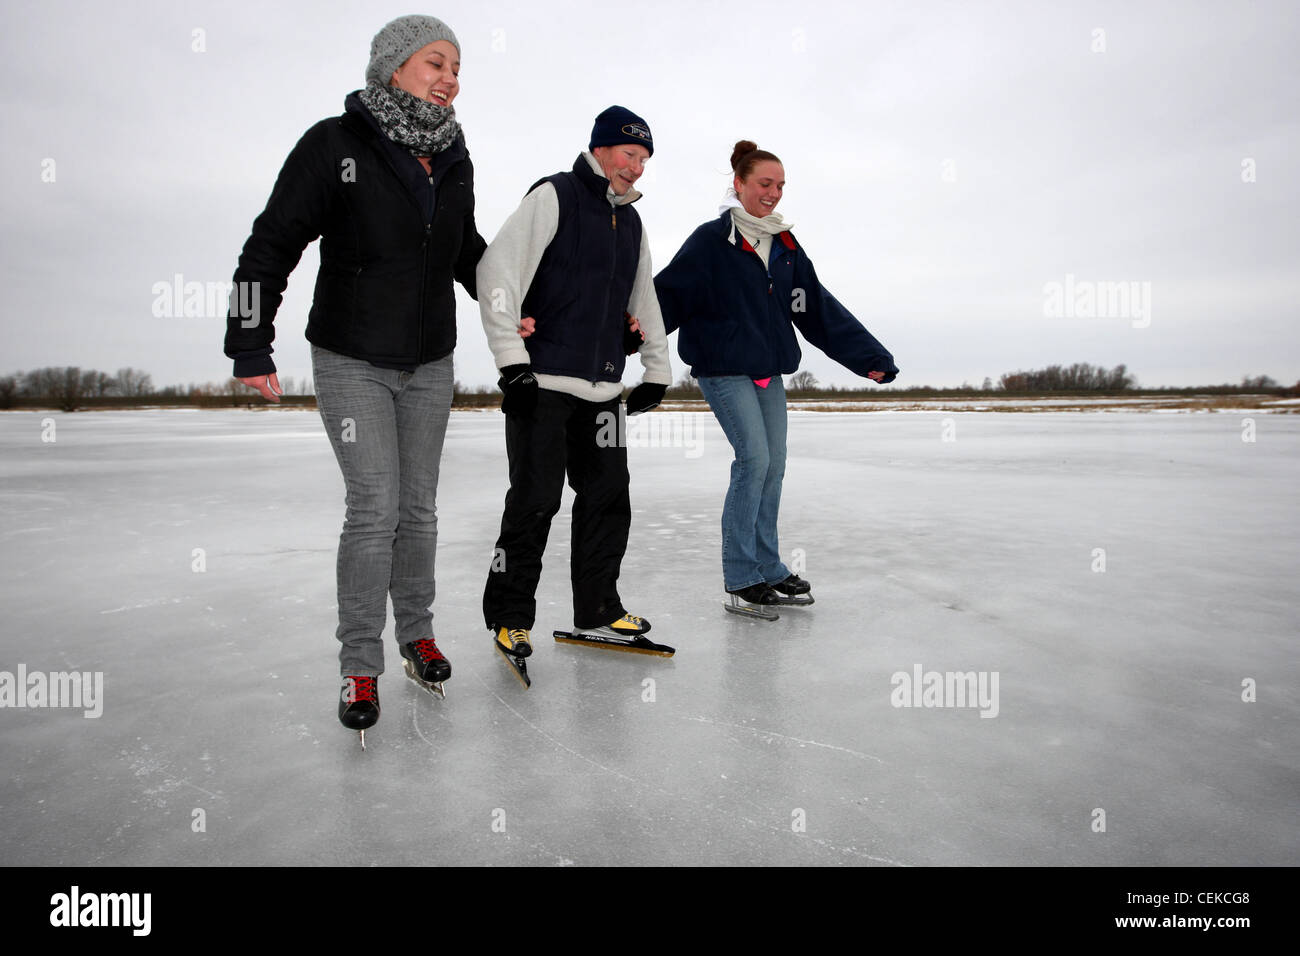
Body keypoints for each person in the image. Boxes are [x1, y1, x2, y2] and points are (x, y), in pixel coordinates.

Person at [223, 15, 486, 741]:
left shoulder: (453, 155)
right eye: (435, 62)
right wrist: (249, 339)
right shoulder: (335, 144)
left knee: (420, 509)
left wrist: (521, 305)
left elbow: (468, 251)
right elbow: (272, 239)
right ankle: (359, 662)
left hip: (431, 361)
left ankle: (418, 637)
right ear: (393, 66)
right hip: (351, 357)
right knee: (375, 505)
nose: (450, 77)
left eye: (457, 67)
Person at [654, 140, 898, 613]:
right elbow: (666, 296)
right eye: (765, 183)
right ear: (739, 184)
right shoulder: (712, 240)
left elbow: (816, 307)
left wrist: (869, 357)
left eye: (781, 185)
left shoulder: (784, 245)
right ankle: (741, 576)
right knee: (754, 461)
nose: (774, 193)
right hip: (723, 368)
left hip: (768, 370)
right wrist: (622, 336)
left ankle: (767, 566)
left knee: (774, 466)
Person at [477, 105, 673, 665]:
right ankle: (511, 617)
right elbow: (497, 271)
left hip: (605, 390)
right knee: (535, 502)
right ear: (601, 149)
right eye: (629, 155)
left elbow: (644, 299)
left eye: (644, 160)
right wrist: (511, 360)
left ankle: (598, 608)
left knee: (610, 500)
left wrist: (656, 370)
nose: (636, 168)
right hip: (541, 384)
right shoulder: (555, 195)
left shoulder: (631, 222)